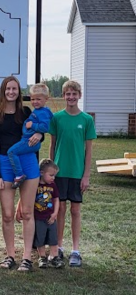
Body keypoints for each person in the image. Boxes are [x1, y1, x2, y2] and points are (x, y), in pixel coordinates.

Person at [0, 76, 41, 272]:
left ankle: (27, 257)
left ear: (19, 92)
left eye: (14, 89)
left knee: (27, 212)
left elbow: (39, 129)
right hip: (5, 164)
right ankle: (10, 255)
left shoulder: (26, 112)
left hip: (28, 162)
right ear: (3, 91)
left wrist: (40, 134)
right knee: (8, 214)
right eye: (8, 88)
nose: (11, 92)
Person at [49, 80, 96, 267]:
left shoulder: (86, 120)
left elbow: (89, 150)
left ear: (79, 96)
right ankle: (58, 247)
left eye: (74, 94)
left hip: (77, 173)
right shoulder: (57, 118)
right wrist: (51, 171)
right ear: (63, 96)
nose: (71, 97)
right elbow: (52, 145)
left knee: (75, 210)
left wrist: (86, 175)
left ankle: (75, 250)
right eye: (67, 94)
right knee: (59, 209)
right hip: (60, 172)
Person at [16, 159, 65, 269]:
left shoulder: (53, 185)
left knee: (53, 238)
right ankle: (42, 257)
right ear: (42, 173)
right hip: (38, 218)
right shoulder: (34, 184)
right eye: (51, 175)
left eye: (54, 176)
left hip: (50, 218)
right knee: (40, 238)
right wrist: (18, 209)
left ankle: (54, 256)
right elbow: (24, 198)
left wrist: (55, 213)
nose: (53, 178)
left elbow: (57, 199)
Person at [7, 83, 53, 189]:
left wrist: (32, 125)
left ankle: (19, 175)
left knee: (11, 152)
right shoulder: (40, 110)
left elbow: (45, 127)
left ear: (46, 99)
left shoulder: (43, 112)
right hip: (28, 139)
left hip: (29, 141)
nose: (35, 102)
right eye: (32, 99)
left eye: (38, 99)